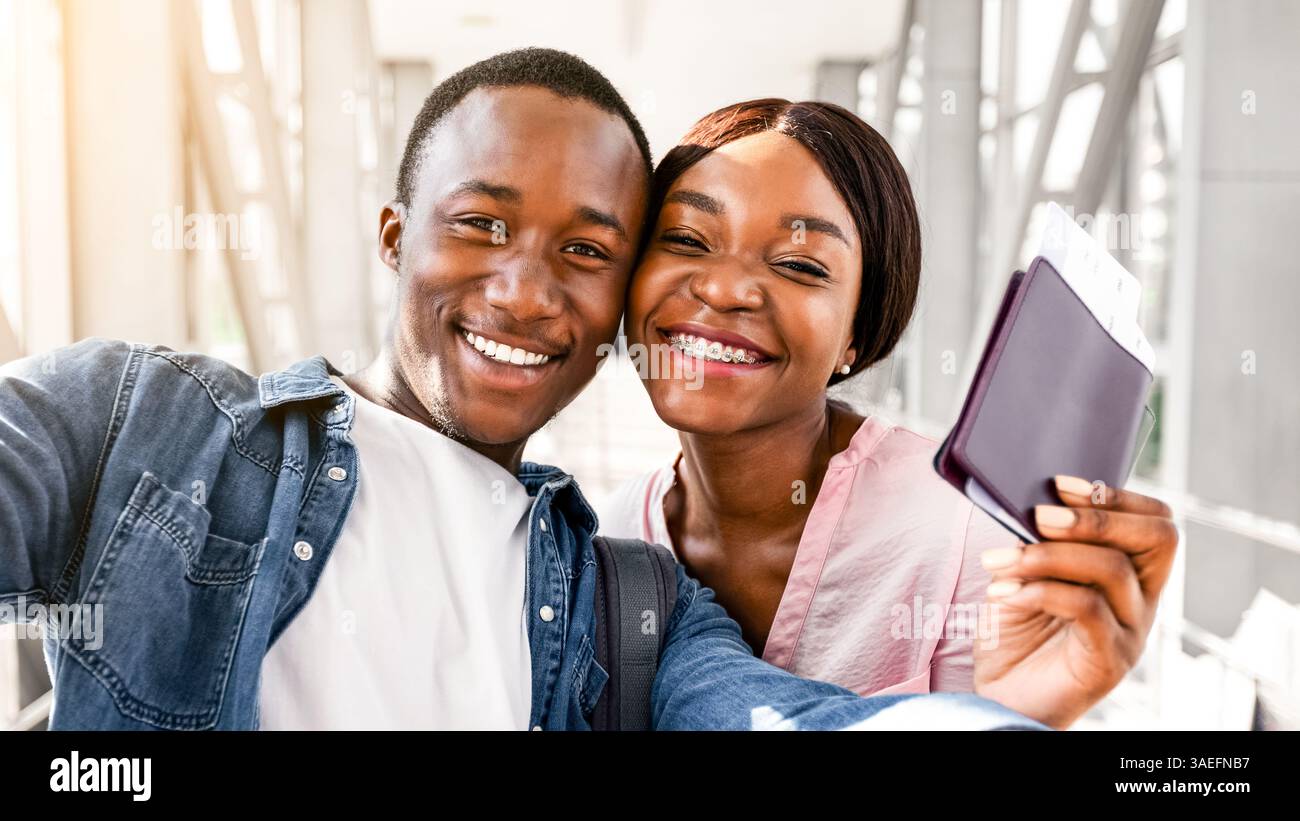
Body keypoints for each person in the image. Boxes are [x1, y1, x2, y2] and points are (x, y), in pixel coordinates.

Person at [0, 49, 1166, 731]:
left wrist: (1015, 710)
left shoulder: (623, 599)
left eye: (586, 251)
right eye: (481, 225)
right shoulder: (138, 424)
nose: (522, 292)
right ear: (395, 234)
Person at [598, 98, 1178, 720]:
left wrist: (1025, 714)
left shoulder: (969, 534)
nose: (723, 288)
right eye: (686, 239)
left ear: (856, 332)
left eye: (798, 264)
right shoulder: (621, 532)